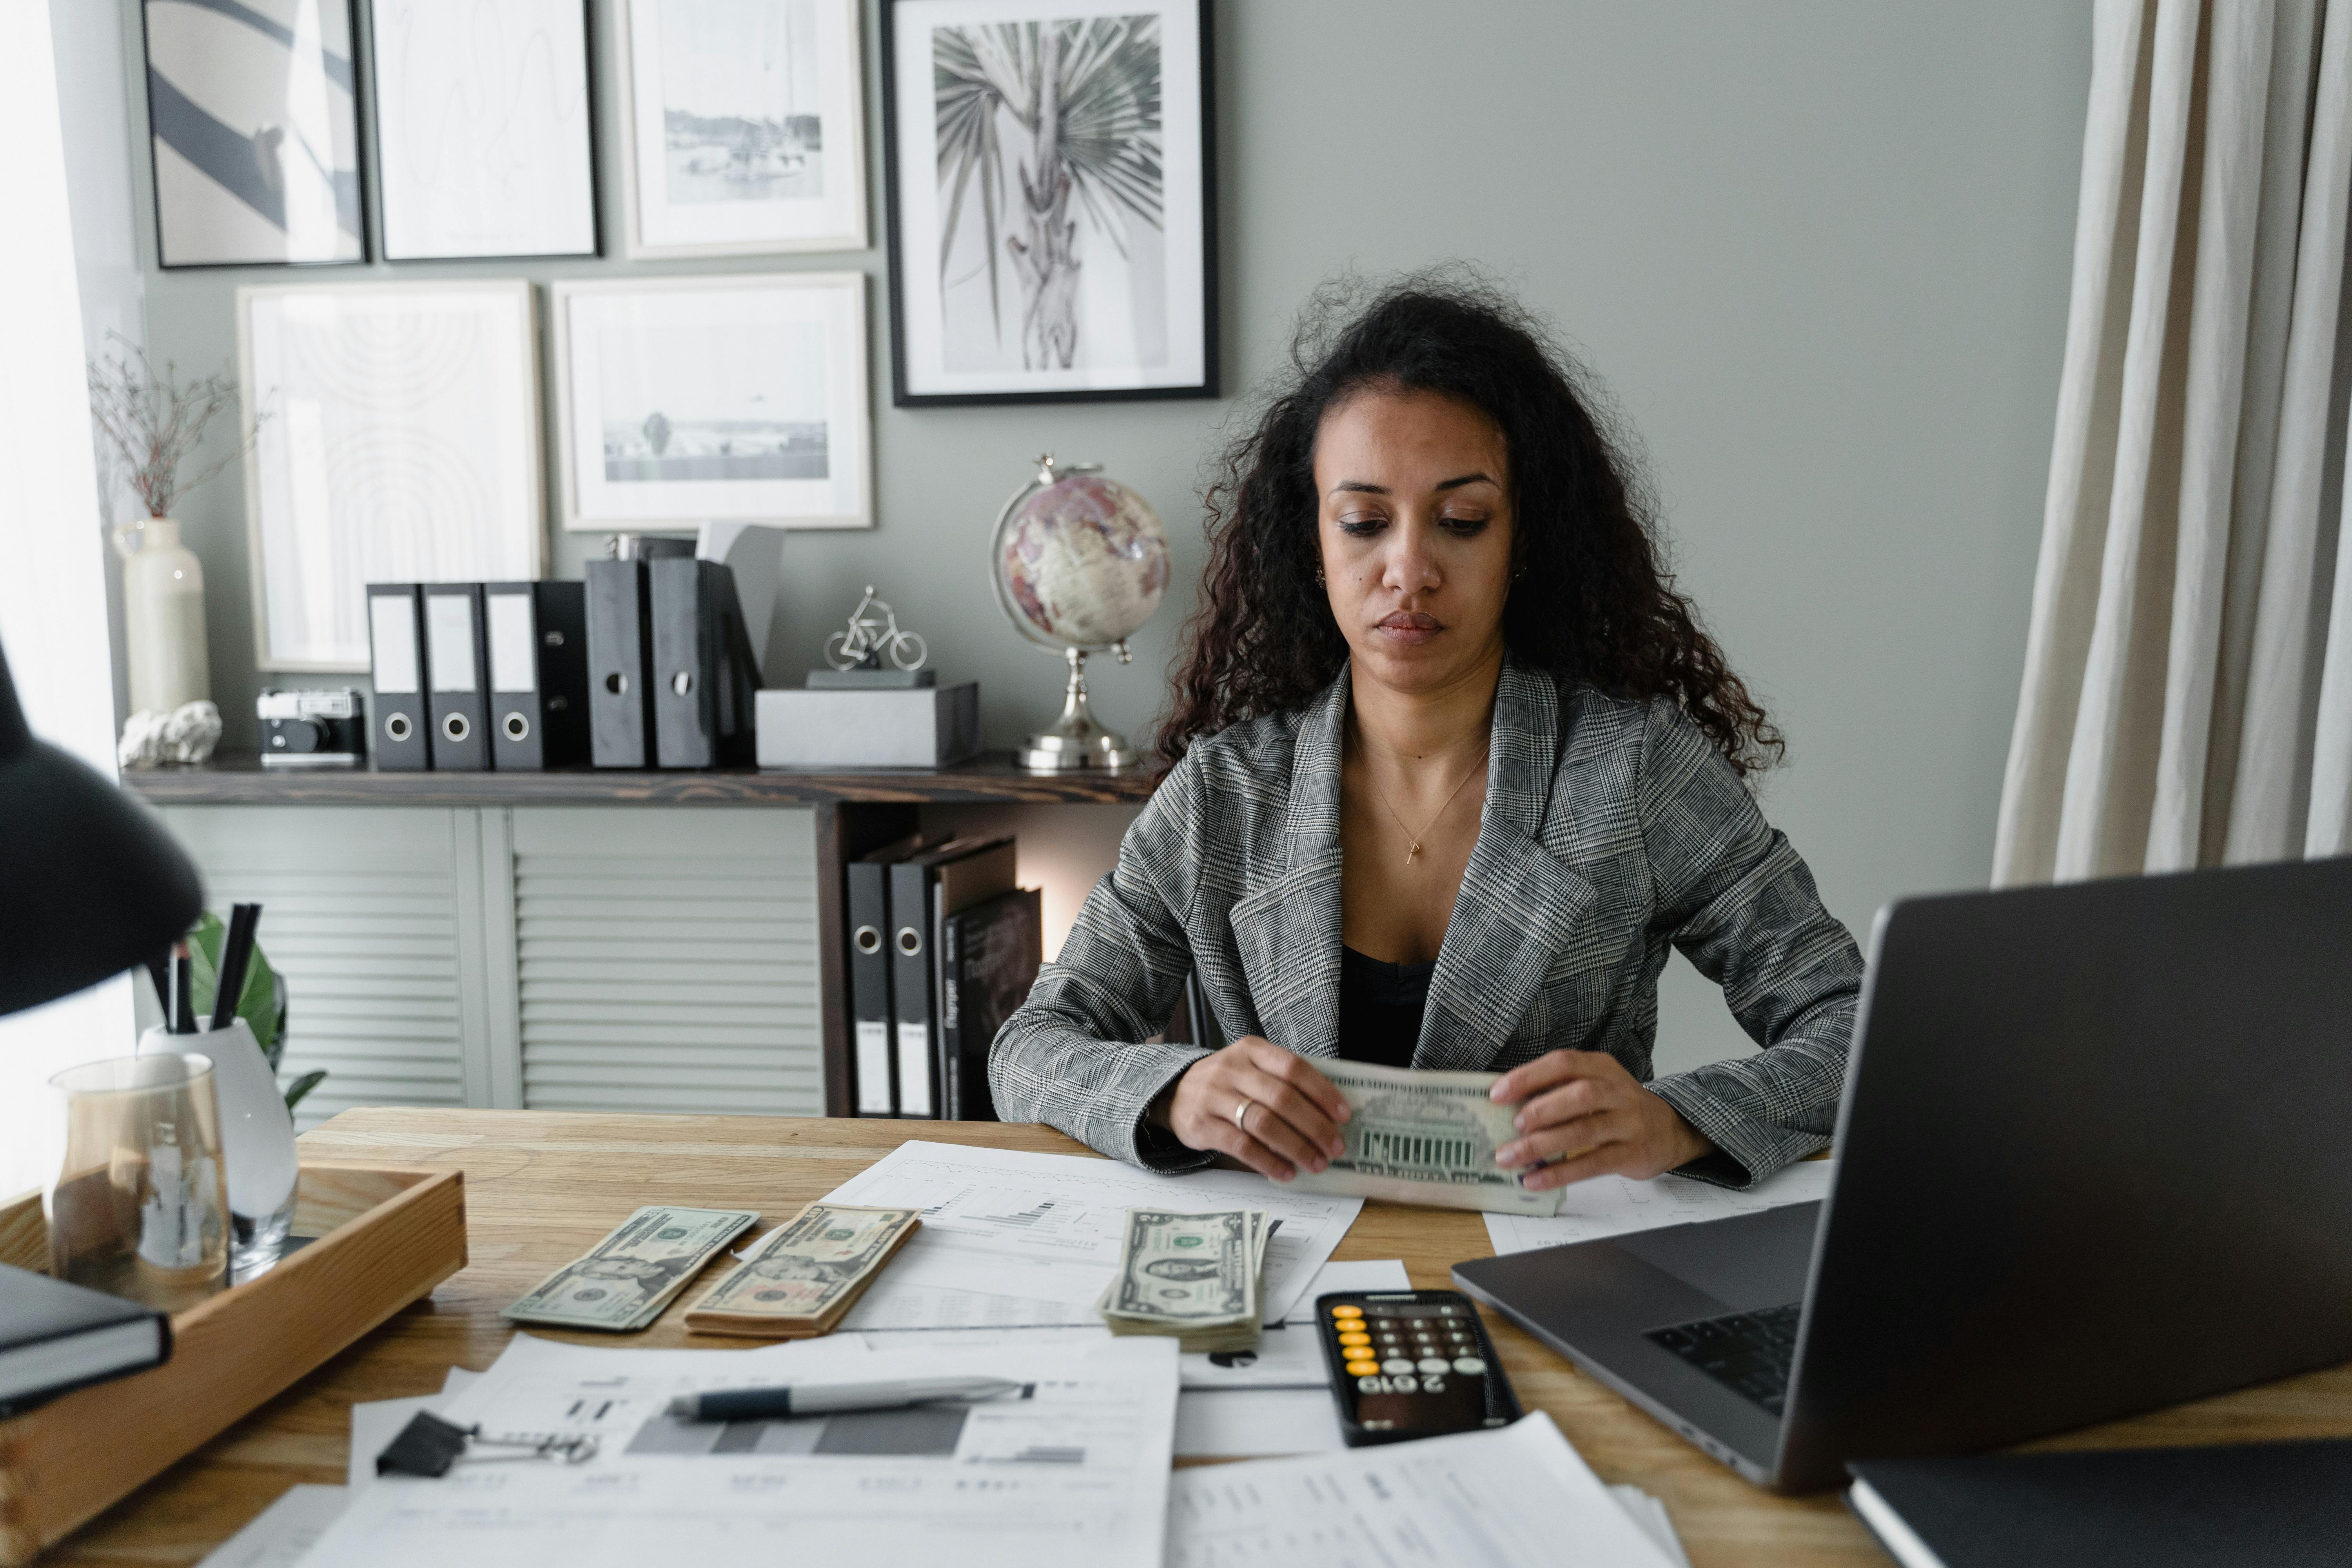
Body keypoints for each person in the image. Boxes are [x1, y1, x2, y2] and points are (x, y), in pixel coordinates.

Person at [988, 277, 1862, 1194]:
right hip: (1285, 1288)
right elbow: (1031, 1049)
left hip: (1553, 1281)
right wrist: (1179, 1089)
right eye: (1364, 523)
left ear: (1522, 540)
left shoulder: (1635, 768)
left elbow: (1854, 1023)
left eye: (1461, 521)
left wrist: (1674, 1121)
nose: (1408, 569)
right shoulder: (1223, 795)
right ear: (1313, 544)